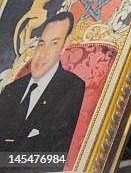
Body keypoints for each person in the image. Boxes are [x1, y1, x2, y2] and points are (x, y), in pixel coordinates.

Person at [0, 11, 85, 153]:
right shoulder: (11, 90)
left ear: (64, 46)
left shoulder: (72, 87)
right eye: (41, 43)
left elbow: (56, 154)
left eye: (54, 43)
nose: (43, 53)